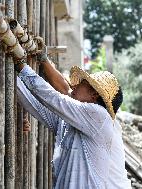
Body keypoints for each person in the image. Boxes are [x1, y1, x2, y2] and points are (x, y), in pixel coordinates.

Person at [15, 51, 132, 188]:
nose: (74, 86)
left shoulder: (99, 116)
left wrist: (21, 66)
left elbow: (54, 99)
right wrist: (12, 75)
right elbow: (37, 106)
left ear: (94, 94)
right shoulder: (73, 120)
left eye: (81, 83)